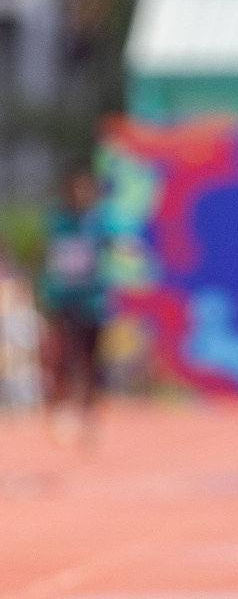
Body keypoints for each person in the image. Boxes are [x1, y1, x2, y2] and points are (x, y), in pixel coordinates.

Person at [39, 169, 109, 442]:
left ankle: (89, 412)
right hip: (64, 300)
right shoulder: (57, 220)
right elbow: (50, 257)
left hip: (92, 303)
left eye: (85, 188)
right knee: (65, 356)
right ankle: (64, 409)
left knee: (91, 359)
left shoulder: (100, 221)